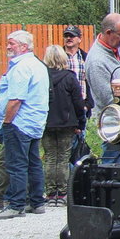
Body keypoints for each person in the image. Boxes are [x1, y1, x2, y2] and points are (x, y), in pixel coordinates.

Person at [0, 30, 50, 219]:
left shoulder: (21, 67)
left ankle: (15, 205)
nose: (8, 46)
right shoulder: (38, 64)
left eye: (12, 43)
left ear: (24, 46)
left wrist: (7, 121)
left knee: (16, 164)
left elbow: (16, 99)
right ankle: (37, 201)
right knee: (34, 163)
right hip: (35, 121)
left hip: (19, 122)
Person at [86, 13, 120, 163]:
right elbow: (111, 101)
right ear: (108, 33)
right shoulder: (96, 62)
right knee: (113, 166)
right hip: (115, 125)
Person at [42, 45, 85, 205]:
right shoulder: (69, 77)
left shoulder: (42, 77)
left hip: (46, 123)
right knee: (63, 158)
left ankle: (50, 193)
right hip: (67, 123)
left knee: (50, 158)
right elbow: (78, 102)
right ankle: (62, 194)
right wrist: (81, 122)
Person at [62, 25, 93, 163]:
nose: (69, 38)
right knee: (64, 147)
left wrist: (87, 104)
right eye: (66, 36)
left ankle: (76, 175)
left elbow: (91, 82)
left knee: (79, 144)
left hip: (81, 106)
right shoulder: (59, 57)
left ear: (79, 39)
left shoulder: (86, 58)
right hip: (63, 108)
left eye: (72, 36)